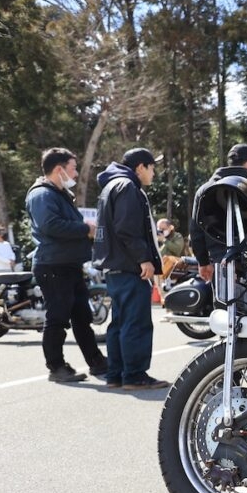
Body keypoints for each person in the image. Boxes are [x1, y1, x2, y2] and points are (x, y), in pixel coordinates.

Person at [23, 148, 109, 383]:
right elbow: (51, 226)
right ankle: (56, 367)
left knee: (82, 317)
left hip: (68, 265)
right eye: (72, 167)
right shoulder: (42, 195)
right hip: (52, 266)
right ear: (59, 169)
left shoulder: (59, 193)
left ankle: (97, 363)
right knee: (58, 318)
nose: (75, 172)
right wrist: (85, 229)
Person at [93, 147, 169, 390]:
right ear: (140, 167)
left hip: (114, 266)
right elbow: (127, 229)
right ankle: (135, 375)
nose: (154, 173)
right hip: (129, 266)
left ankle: (116, 374)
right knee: (135, 322)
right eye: (152, 167)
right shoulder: (127, 187)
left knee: (120, 322)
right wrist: (143, 259)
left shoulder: (111, 186)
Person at [190, 143, 247, 309]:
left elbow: (196, 230)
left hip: (221, 264)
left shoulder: (206, 189)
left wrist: (203, 261)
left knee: (225, 318)